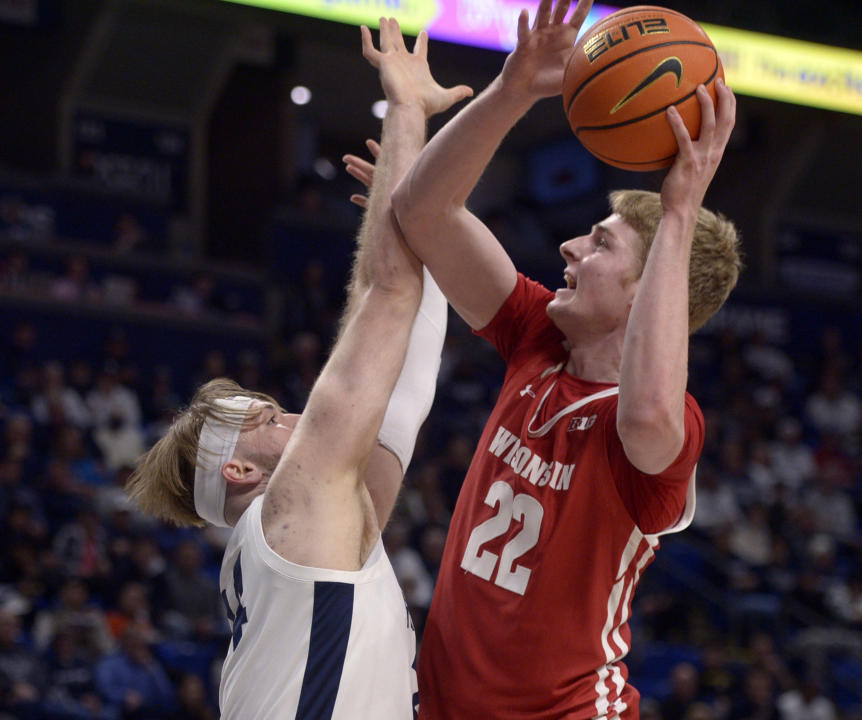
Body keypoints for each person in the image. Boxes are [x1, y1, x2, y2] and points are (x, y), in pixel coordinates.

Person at [387, 0, 740, 714]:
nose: (570, 249)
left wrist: (678, 212)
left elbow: (645, 409)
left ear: (648, 293)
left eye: (602, 244)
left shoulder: (663, 427)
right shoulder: (536, 336)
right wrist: (512, 90)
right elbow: (422, 212)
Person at [125, 19, 470, 719]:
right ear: (239, 471)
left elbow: (401, 395)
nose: (292, 413)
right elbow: (385, 296)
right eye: (265, 419)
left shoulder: (309, 527)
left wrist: (418, 224)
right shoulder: (291, 511)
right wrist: (405, 117)